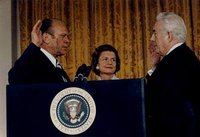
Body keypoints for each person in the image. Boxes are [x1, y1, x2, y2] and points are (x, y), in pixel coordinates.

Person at [146, 12, 200, 137]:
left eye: (155, 33)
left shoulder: (173, 63)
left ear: (169, 36)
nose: (152, 39)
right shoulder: (184, 57)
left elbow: (152, 102)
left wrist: (154, 69)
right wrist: (154, 67)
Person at [8, 18, 71, 84]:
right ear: (46, 38)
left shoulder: (56, 66)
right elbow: (14, 78)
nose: (67, 41)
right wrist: (34, 45)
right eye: (62, 36)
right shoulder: (34, 63)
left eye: (67, 37)